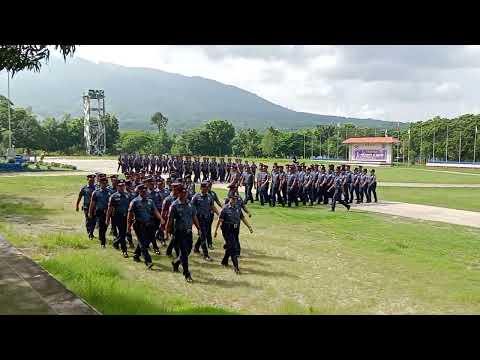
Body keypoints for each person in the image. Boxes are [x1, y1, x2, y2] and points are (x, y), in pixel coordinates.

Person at [166, 187, 201, 283]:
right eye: (182, 193)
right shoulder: (174, 205)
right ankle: (187, 274)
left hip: (188, 232)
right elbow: (170, 220)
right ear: (178, 194)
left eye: (185, 193)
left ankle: (176, 262)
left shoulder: (190, 204)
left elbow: (194, 217)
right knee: (184, 253)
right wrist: (166, 232)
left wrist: (199, 228)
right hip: (179, 232)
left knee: (188, 250)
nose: (184, 195)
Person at [214, 194, 253, 274]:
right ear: (230, 199)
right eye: (233, 199)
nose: (234, 200)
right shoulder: (225, 209)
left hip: (235, 229)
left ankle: (224, 261)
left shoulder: (238, 208)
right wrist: (216, 231)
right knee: (233, 248)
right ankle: (236, 267)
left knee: (230, 246)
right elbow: (220, 220)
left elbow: (242, 218)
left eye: (236, 199)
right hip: (227, 229)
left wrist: (249, 227)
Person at [127, 184, 162, 269]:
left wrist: (161, 219)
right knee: (142, 243)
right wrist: (128, 227)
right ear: (139, 191)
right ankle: (148, 261)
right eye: (142, 191)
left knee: (147, 241)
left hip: (149, 224)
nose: (144, 192)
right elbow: (130, 215)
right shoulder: (134, 202)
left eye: (145, 191)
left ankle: (136, 255)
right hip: (138, 225)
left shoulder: (150, 201)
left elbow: (155, 211)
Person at [192, 181, 219, 260]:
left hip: (207, 218)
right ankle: (206, 255)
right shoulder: (196, 197)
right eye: (205, 187)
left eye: (208, 187)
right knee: (203, 236)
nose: (207, 189)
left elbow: (212, 206)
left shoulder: (209, 196)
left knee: (203, 235)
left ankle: (196, 248)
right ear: (201, 188)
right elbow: (192, 208)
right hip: (199, 219)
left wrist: (218, 214)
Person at [106, 179, 130, 258]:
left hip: (126, 217)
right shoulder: (113, 196)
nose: (121, 187)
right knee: (122, 234)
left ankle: (116, 242)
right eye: (120, 186)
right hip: (117, 217)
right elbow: (109, 209)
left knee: (124, 233)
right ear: (117, 187)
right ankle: (124, 251)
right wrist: (107, 219)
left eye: (123, 186)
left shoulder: (128, 195)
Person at [88, 175, 110, 248]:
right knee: (101, 226)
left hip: (107, 212)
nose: (104, 184)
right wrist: (90, 212)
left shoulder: (110, 192)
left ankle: (101, 236)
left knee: (105, 226)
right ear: (100, 183)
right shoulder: (96, 192)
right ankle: (103, 242)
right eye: (102, 183)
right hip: (99, 211)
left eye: (105, 183)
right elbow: (92, 203)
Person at [76, 174, 97, 239]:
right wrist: (77, 205)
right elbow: (79, 197)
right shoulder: (84, 188)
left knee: (94, 220)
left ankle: (91, 232)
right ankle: (89, 233)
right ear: (87, 180)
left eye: (93, 181)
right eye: (90, 180)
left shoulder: (96, 188)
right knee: (88, 220)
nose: (91, 182)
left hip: (95, 207)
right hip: (86, 206)